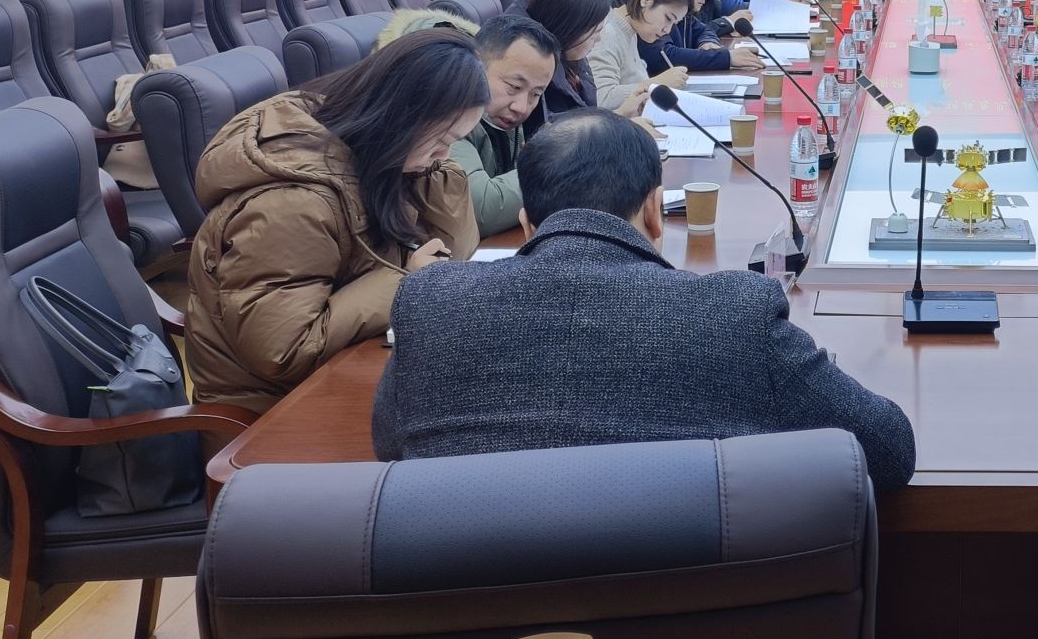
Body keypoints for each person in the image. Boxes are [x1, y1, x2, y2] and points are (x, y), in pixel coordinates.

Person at [371, 108, 918, 493]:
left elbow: (391, 444)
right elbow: (888, 452)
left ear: (526, 224)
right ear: (656, 211)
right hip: (688, 611)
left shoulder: (431, 301)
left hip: (483, 613)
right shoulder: (731, 313)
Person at [185, 28, 487, 412]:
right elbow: (284, 352)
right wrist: (406, 283)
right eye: (443, 140)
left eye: (456, 141)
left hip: (347, 378)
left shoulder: (380, 159)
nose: (445, 155)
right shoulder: (293, 205)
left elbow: (453, 255)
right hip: (273, 413)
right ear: (400, 119)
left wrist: (431, 172)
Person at [451, 11, 558, 235]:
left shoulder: (502, 114)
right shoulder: (448, 113)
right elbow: (482, 210)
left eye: (536, 94)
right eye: (514, 87)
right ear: (475, 65)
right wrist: (556, 165)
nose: (522, 107)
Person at [588, 0, 695, 114]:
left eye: (674, 23)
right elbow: (602, 98)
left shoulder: (631, 31)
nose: (667, 30)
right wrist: (657, 83)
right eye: (668, 18)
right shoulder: (606, 33)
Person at [525, 0, 613, 123]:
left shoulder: (572, 60)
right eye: (595, 32)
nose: (598, 39)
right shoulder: (532, 68)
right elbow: (549, 128)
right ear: (570, 29)